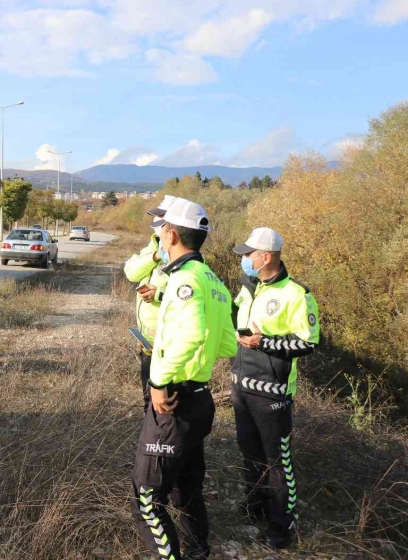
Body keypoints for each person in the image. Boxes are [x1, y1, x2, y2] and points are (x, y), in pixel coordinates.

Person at [130, 198, 237, 560]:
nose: (158, 236)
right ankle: (197, 551)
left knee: (147, 499)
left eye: (161, 230)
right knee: (188, 487)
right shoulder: (214, 281)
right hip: (199, 398)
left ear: (172, 234)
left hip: (173, 400)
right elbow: (225, 343)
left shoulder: (183, 281)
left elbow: (191, 335)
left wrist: (160, 381)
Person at [231, 228, 319, 550]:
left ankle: (283, 526)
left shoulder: (297, 294)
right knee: (249, 453)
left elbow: (307, 342)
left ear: (265, 257)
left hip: (273, 395)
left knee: (278, 463)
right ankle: (255, 507)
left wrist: (263, 341)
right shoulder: (249, 287)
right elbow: (233, 319)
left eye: (248, 254)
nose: (244, 259)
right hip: (241, 387)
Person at [123, 195, 177, 412]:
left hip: (168, 345)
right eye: (155, 216)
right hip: (148, 343)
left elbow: (189, 297)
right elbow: (131, 271)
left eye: (161, 218)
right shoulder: (154, 245)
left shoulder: (181, 253)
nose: (156, 222)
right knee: (150, 402)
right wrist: (154, 256)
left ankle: (163, 442)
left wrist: (159, 293)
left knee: (166, 406)